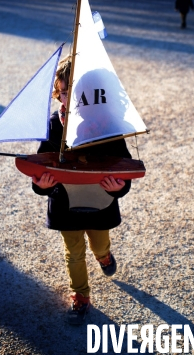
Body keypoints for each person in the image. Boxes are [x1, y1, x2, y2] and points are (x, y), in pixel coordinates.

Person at [31, 55, 133, 325]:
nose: (67, 100)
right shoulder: (54, 125)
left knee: (98, 243)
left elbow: (123, 168)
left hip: (100, 203)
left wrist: (119, 188)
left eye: (75, 94)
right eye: (63, 93)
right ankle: (81, 296)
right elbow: (42, 164)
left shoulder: (110, 128)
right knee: (73, 252)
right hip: (65, 204)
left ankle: (104, 255)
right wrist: (40, 184)